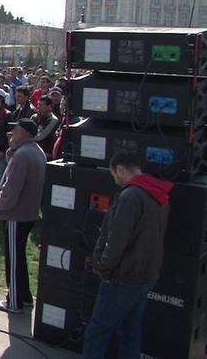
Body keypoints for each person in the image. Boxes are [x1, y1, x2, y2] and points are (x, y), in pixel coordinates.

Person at [82, 153, 173, 359]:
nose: (114, 178)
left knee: (98, 330)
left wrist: (104, 267)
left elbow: (117, 239)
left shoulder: (130, 196)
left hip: (122, 276)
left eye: (113, 173)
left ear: (120, 169)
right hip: (145, 274)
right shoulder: (158, 194)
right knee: (129, 329)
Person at [0, 118, 46, 314]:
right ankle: (24, 296)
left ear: (23, 132)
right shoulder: (34, 151)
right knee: (19, 257)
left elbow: (11, 188)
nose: (11, 133)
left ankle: (14, 302)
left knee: (13, 260)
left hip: (17, 214)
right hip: (28, 213)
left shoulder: (23, 155)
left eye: (14, 130)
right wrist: (11, 147)